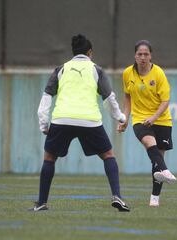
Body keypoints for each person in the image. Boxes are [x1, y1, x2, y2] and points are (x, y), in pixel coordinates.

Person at [31, 34, 130, 212]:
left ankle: (42, 203)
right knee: (108, 155)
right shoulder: (96, 69)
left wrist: (44, 124)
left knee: (49, 158)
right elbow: (109, 98)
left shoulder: (61, 69)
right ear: (90, 52)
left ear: (73, 52)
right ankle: (117, 196)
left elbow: (46, 97)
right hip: (89, 120)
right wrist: (121, 117)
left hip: (62, 119)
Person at [117, 40, 177, 207]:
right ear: (135, 56)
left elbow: (165, 100)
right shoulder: (127, 73)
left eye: (146, 54)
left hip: (162, 119)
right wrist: (125, 118)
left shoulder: (158, 73)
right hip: (140, 119)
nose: (143, 57)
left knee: (156, 158)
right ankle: (165, 170)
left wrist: (154, 118)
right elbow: (127, 96)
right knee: (149, 143)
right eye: (139, 54)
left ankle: (155, 197)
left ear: (151, 56)